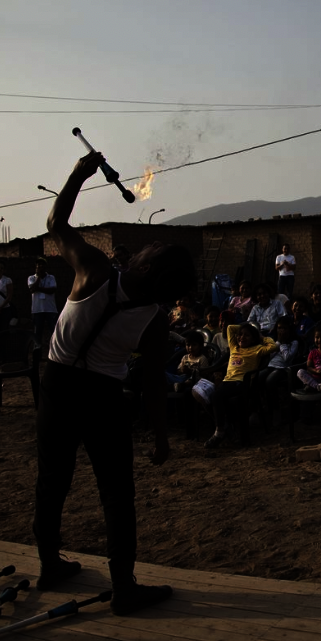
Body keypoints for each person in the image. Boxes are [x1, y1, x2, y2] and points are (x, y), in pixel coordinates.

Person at [35, 150, 196, 615]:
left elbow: (55, 222)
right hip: (103, 397)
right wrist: (161, 438)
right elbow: (152, 385)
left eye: (150, 250)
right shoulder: (155, 320)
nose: (146, 247)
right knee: (117, 493)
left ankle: (50, 564)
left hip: (57, 383)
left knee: (53, 478)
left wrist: (78, 174)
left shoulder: (95, 269)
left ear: (144, 265)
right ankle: (123, 587)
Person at [204, 323, 279, 448]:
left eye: (247, 335)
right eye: (240, 335)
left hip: (242, 383)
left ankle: (220, 432)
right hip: (227, 381)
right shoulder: (234, 347)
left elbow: (274, 346)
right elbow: (230, 328)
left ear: (253, 339)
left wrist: (261, 336)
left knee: (216, 396)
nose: (242, 337)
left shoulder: (257, 349)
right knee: (209, 397)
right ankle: (228, 430)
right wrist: (245, 328)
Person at [28, 258, 59, 352]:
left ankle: (56, 351)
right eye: (38, 266)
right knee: (37, 333)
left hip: (50, 309)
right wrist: (38, 277)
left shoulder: (51, 277)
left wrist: (38, 288)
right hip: (37, 309)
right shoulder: (31, 278)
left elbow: (52, 290)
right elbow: (32, 289)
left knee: (53, 331)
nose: (40, 268)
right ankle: (37, 353)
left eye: (42, 266)